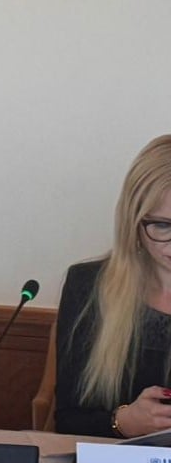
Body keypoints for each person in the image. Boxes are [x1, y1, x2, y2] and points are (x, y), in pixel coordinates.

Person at [56, 135, 171, 439]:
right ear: (133, 221)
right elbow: (67, 420)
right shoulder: (88, 286)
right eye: (162, 225)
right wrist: (124, 422)